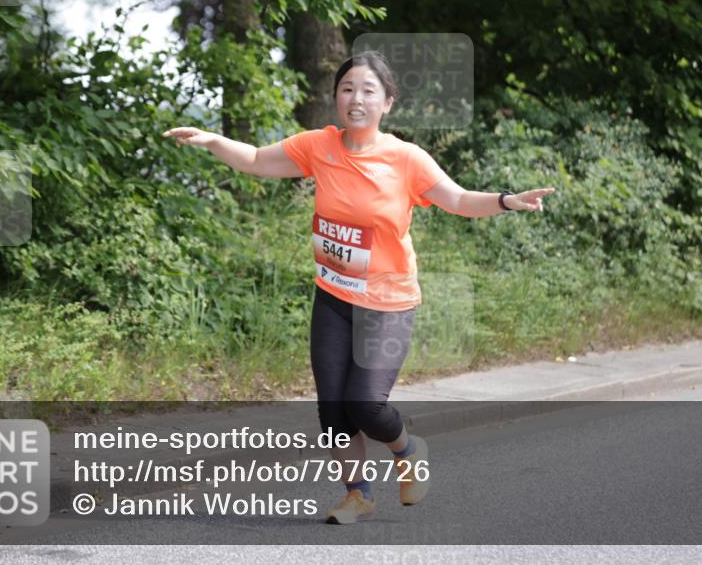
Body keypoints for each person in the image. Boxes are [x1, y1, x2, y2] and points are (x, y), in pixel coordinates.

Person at [163, 51, 554, 524]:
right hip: (333, 295)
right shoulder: (318, 146)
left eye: (369, 91)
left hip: (388, 303)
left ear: (387, 103)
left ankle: (409, 450)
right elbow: (256, 160)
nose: (356, 98)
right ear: (335, 99)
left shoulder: (406, 159)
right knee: (333, 411)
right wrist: (210, 139)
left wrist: (506, 201)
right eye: (347, 89)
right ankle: (358, 494)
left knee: (365, 404)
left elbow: (457, 199)